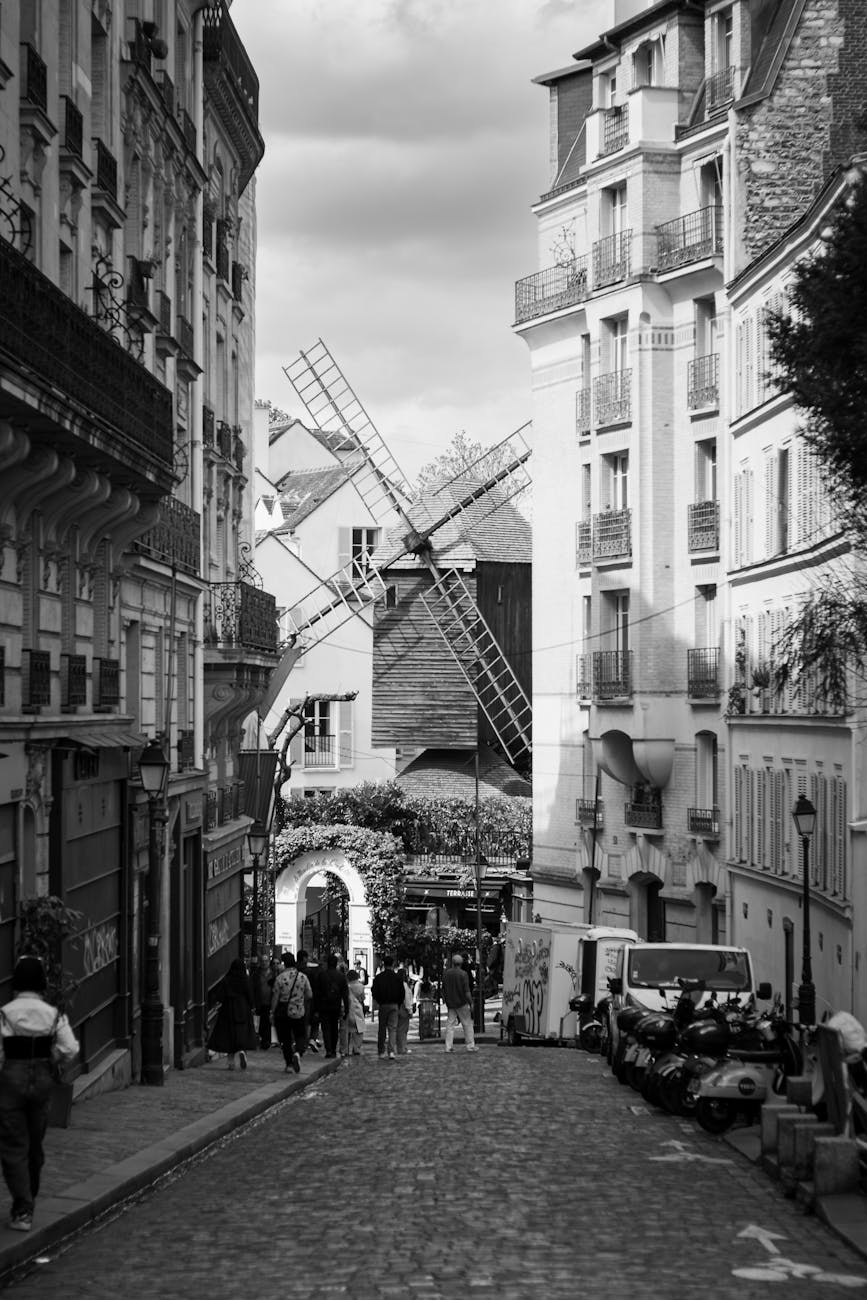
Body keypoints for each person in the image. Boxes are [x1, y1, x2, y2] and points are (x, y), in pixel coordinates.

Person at [0, 955, 79, 1231]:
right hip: (42, 1078)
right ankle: (28, 1194)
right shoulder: (53, 1014)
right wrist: (52, 1058)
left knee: (13, 1144)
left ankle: (23, 1209)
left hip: (11, 1078)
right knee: (35, 1142)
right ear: (42, 983)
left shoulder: (5, 1013)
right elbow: (71, 1048)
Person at [208, 958, 257, 1070]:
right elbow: (250, 995)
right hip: (243, 1008)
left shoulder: (227, 979)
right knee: (242, 1032)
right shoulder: (246, 979)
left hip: (229, 1008)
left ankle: (230, 1062)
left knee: (229, 1034)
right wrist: (252, 1006)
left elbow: (220, 996)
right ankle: (242, 1051)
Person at [271, 952, 312, 1074]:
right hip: (299, 1010)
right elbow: (310, 994)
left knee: (285, 1038)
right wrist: (300, 998)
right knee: (300, 1035)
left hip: (283, 1012)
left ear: (284, 963)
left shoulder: (280, 978)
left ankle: (289, 1064)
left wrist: (272, 1012)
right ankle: (298, 1053)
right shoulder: (302, 977)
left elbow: (275, 997)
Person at [442, 953, 478, 1053]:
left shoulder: (446, 974)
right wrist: (471, 1003)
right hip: (462, 1002)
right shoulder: (463, 974)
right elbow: (466, 991)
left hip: (451, 1003)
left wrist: (446, 1000)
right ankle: (470, 1045)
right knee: (467, 1024)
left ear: (452, 963)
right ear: (461, 963)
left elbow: (443, 989)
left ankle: (448, 1046)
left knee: (450, 1025)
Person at [370, 955, 404, 1060]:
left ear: (383, 964)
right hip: (394, 1004)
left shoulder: (379, 977)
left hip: (383, 1004)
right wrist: (398, 1003)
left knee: (382, 1028)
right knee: (393, 1028)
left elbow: (374, 991)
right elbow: (402, 992)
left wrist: (379, 1001)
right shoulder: (397, 977)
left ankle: (381, 1051)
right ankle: (391, 1051)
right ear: (393, 964)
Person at [318, 953, 349, 1059]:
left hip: (323, 1005)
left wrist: (316, 1008)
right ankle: (333, 1050)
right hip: (336, 1005)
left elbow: (317, 992)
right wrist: (347, 1009)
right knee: (334, 1028)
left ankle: (328, 1050)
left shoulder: (322, 975)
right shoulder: (341, 976)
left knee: (326, 1028)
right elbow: (345, 994)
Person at [298, 950, 322, 1053]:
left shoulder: (294, 970)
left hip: (296, 999)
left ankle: (301, 1041)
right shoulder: (310, 972)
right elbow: (315, 988)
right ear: (304, 958)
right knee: (313, 1020)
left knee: (301, 1021)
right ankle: (311, 1039)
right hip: (308, 999)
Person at [253, 956, 278, 1050]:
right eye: (262, 961)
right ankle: (263, 1040)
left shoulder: (273, 974)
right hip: (260, 1002)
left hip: (270, 1001)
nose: (264, 963)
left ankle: (267, 1040)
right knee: (261, 1023)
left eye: (266, 961)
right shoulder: (256, 974)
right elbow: (253, 988)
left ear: (268, 962)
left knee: (268, 1022)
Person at [345, 969, 366, 1058]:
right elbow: (363, 998)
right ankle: (356, 1048)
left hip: (349, 1008)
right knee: (359, 1030)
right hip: (358, 1008)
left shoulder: (347, 986)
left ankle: (345, 1048)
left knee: (347, 1030)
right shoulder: (360, 986)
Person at [395, 966, 414, 1057]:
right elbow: (407, 999)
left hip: (395, 1008)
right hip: (403, 1009)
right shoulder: (404, 985)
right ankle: (402, 1048)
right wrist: (409, 1010)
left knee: (397, 1029)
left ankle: (399, 1047)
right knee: (403, 1030)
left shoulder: (395, 984)